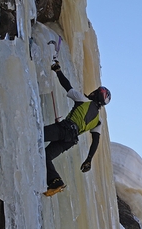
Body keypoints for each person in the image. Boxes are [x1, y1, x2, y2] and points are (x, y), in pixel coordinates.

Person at [43, 60, 111, 196]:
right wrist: (88, 159)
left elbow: (67, 86)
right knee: (45, 157)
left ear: (96, 95)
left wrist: (58, 71)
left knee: (36, 134)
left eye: (95, 91)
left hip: (64, 129)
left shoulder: (84, 100)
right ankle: (56, 182)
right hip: (70, 140)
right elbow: (95, 141)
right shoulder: (98, 121)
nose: (92, 92)